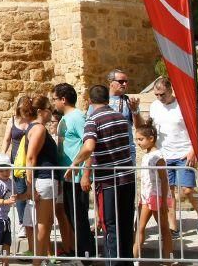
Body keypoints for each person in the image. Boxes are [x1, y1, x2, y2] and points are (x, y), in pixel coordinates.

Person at [67, 85, 135, 266]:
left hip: (108, 182)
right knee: (126, 224)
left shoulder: (93, 120)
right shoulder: (121, 118)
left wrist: (75, 164)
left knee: (110, 225)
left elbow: (89, 147)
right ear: (107, 99)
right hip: (128, 177)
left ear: (90, 101)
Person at [149, 76, 198, 235]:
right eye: (157, 95)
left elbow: (196, 130)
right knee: (169, 192)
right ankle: (173, 227)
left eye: (163, 94)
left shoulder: (183, 105)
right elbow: (150, 127)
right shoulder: (154, 106)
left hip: (183, 153)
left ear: (170, 90)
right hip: (164, 155)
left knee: (187, 190)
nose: (160, 98)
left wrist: (193, 151)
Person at [22, 95, 72, 264]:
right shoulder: (39, 129)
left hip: (47, 180)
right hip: (43, 179)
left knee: (47, 222)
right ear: (40, 111)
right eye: (49, 109)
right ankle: (37, 261)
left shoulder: (36, 128)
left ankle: (41, 259)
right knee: (43, 224)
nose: (52, 112)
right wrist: (30, 187)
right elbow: (30, 158)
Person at [53, 83, 95, 259]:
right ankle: (80, 253)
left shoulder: (77, 117)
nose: (53, 102)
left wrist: (86, 173)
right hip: (68, 176)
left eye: (55, 99)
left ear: (63, 99)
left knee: (79, 219)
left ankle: (87, 256)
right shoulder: (64, 119)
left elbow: (90, 145)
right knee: (72, 217)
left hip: (78, 177)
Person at [133, 118, 172, 261]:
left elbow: (164, 179)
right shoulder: (147, 155)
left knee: (164, 228)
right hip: (146, 196)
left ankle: (168, 258)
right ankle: (135, 259)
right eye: (137, 139)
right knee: (140, 227)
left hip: (157, 197)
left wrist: (162, 202)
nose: (138, 142)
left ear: (151, 139)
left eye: (141, 139)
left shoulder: (158, 157)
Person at [1, 95, 33, 244]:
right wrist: (1, 158)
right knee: (19, 192)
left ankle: (30, 222)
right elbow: (7, 139)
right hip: (17, 162)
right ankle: (22, 223)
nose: (22, 113)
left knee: (30, 192)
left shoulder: (32, 121)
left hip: (29, 160)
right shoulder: (12, 121)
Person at [101, 69, 142, 164]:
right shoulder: (100, 100)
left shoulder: (129, 101)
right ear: (111, 82)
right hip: (106, 151)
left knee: (129, 179)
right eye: (121, 81)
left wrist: (135, 111)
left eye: (126, 81)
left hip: (126, 151)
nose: (124, 84)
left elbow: (139, 127)